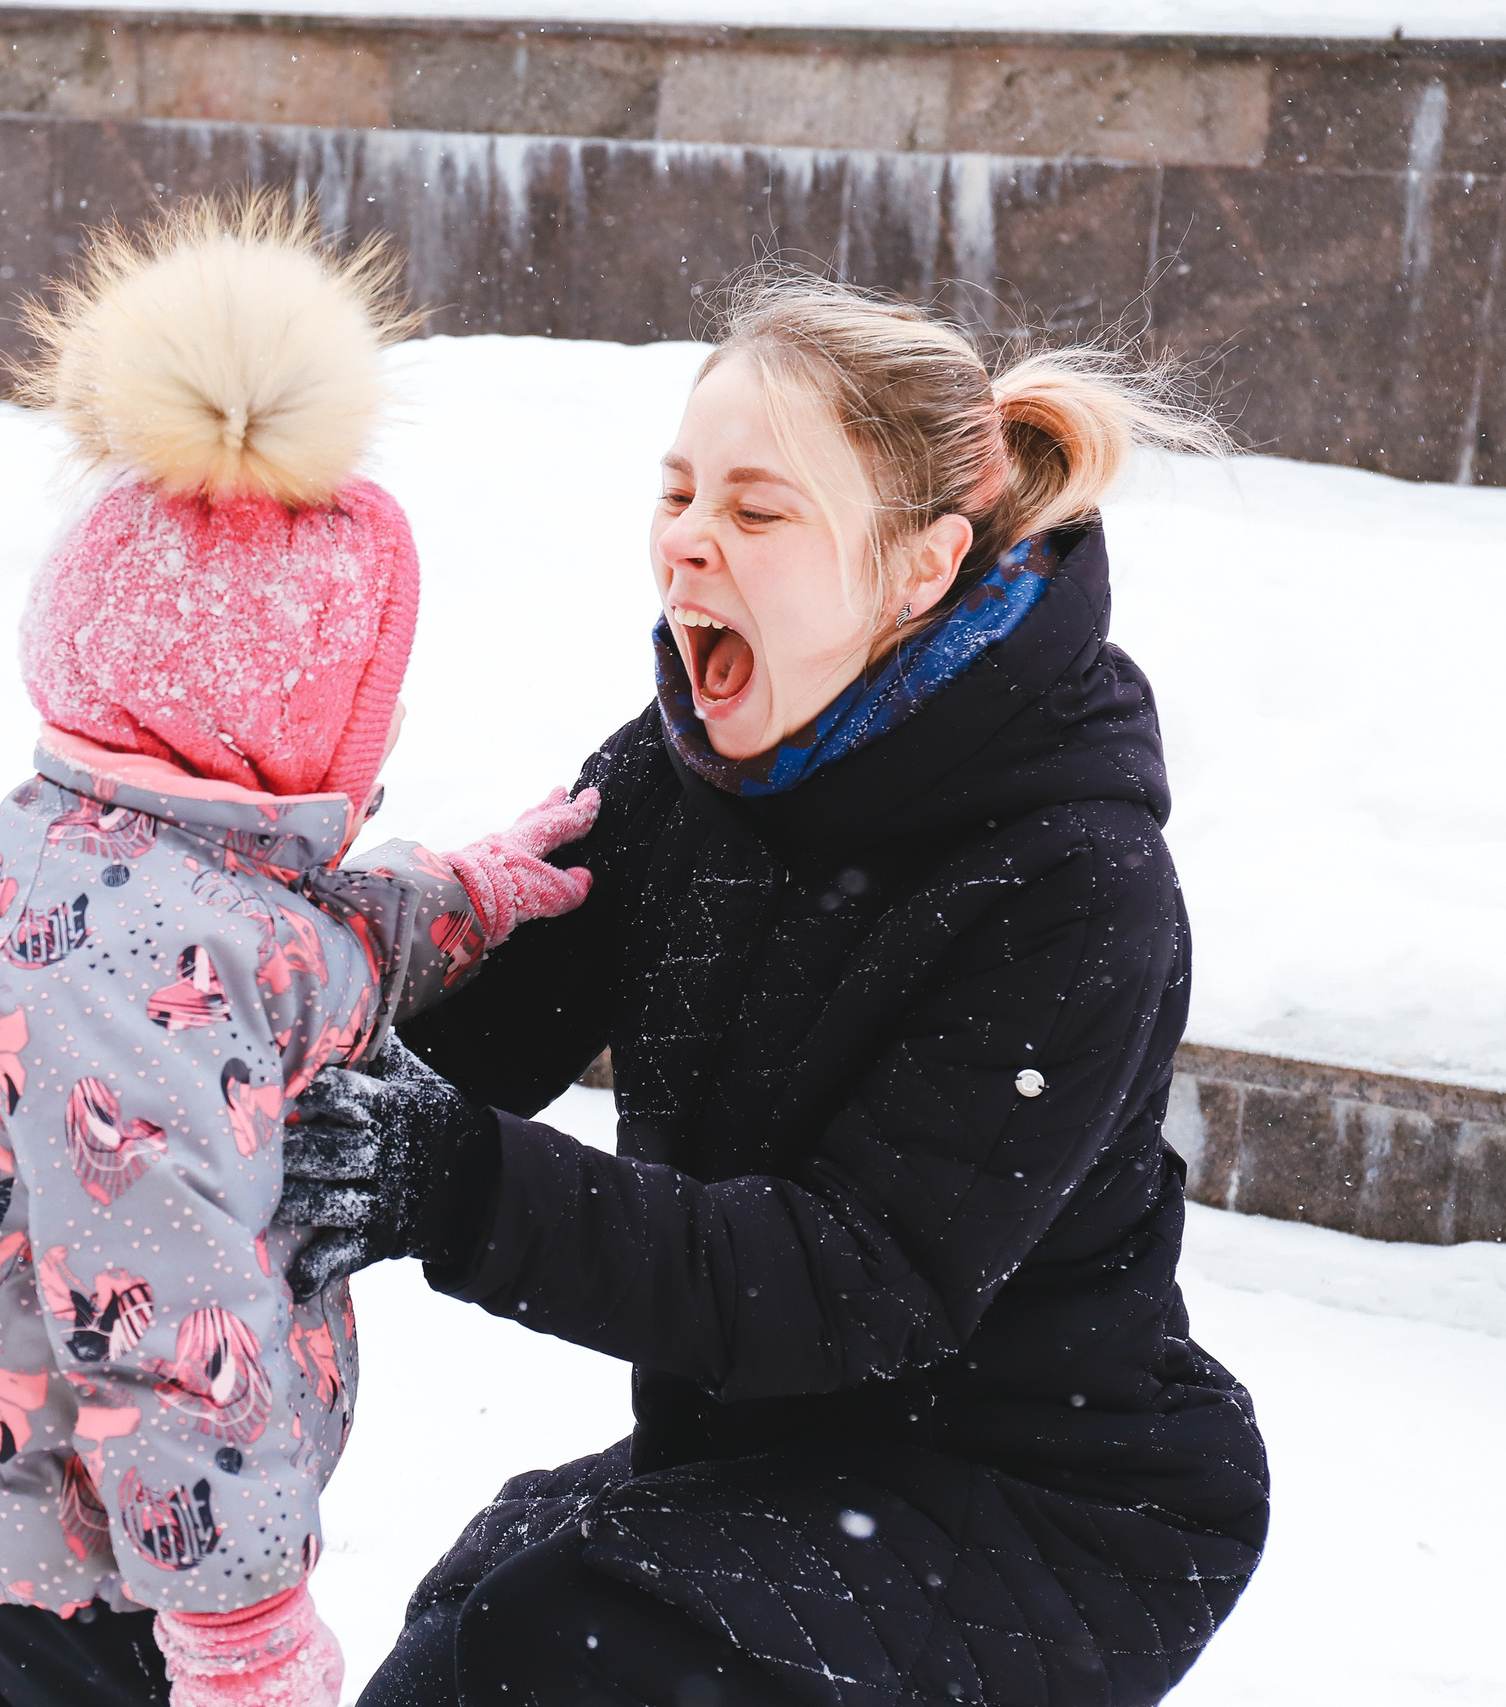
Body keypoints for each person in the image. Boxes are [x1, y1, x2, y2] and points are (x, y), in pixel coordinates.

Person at [276, 270, 1270, 1706]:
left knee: (551, 1649)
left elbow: (859, 1279)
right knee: (481, 1608)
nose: (686, 543)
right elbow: (491, 1034)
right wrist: (263, 994)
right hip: (784, 1448)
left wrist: (457, 1185)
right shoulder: (690, 765)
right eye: (677, 493)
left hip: (1045, 1505)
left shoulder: (1072, 881)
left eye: (755, 511)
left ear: (920, 566)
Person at [0, 197, 599, 1707]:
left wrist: (460, 893)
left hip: (56, 1524)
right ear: (270, 716)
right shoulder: (125, 979)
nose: (382, 748)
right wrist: (241, 1625)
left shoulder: (121, 850)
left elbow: (277, 957)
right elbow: (168, 1323)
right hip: (81, 1563)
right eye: (367, 712)